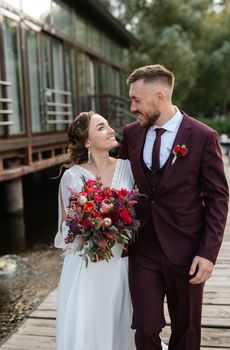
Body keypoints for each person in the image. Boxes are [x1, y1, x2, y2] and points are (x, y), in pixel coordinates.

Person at [118, 64, 229, 350]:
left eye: (136, 100)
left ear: (159, 97)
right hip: (143, 247)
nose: (132, 107)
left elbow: (218, 198)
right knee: (144, 327)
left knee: (187, 330)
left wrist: (208, 254)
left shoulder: (204, 136)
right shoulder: (131, 134)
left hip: (187, 250)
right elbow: (116, 180)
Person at [54, 111, 167, 350]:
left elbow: (145, 207)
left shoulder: (128, 168)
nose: (110, 130)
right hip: (87, 266)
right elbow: (67, 229)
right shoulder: (72, 177)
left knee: (122, 319)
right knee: (89, 324)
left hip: (122, 262)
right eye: (101, 127)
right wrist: (91, 224)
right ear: (87, 141)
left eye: (108, 125)